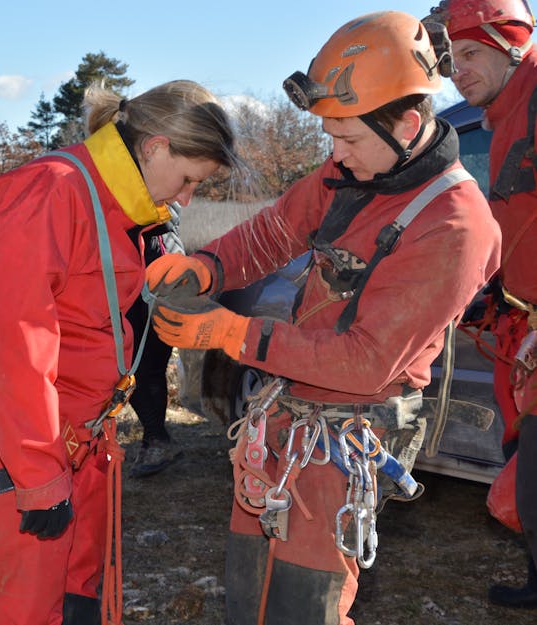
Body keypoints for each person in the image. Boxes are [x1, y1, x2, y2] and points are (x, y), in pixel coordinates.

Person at [145, 12, 501, 625]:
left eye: (349, 139)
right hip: (285, 420)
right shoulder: (351, 174)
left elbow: (364, 362)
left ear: (409, 125)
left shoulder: (455, 225)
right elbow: (274, 230)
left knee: (304, 606)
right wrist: (207, 267)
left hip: (347, 439)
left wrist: (233, 332)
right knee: (250, 587)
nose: (334, 155)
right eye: (331, 137)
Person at [0, 80, 237, 625]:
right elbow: (11, 340)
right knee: (20, 612)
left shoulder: (111, 201)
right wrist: (39, 479)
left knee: (78, 603)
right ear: (155, 147)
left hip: (74, 440)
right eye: (190, 180)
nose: (187, 198)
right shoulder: (54, 190)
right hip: (13, 451)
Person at [427, 0, 537, 608]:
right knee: (521, 458)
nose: (456, 71)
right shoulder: (501, 116)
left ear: (511, 43)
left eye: (471, 54)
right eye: (452, 57)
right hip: (518, 329)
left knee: (526, 487)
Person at [126, 202, 184, 478]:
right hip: (132, 285)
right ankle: (155, 439)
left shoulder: (158, 179)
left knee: (145, 370)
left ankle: (156, 440)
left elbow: (169, 217)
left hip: (161, 284)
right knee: (133, 370)